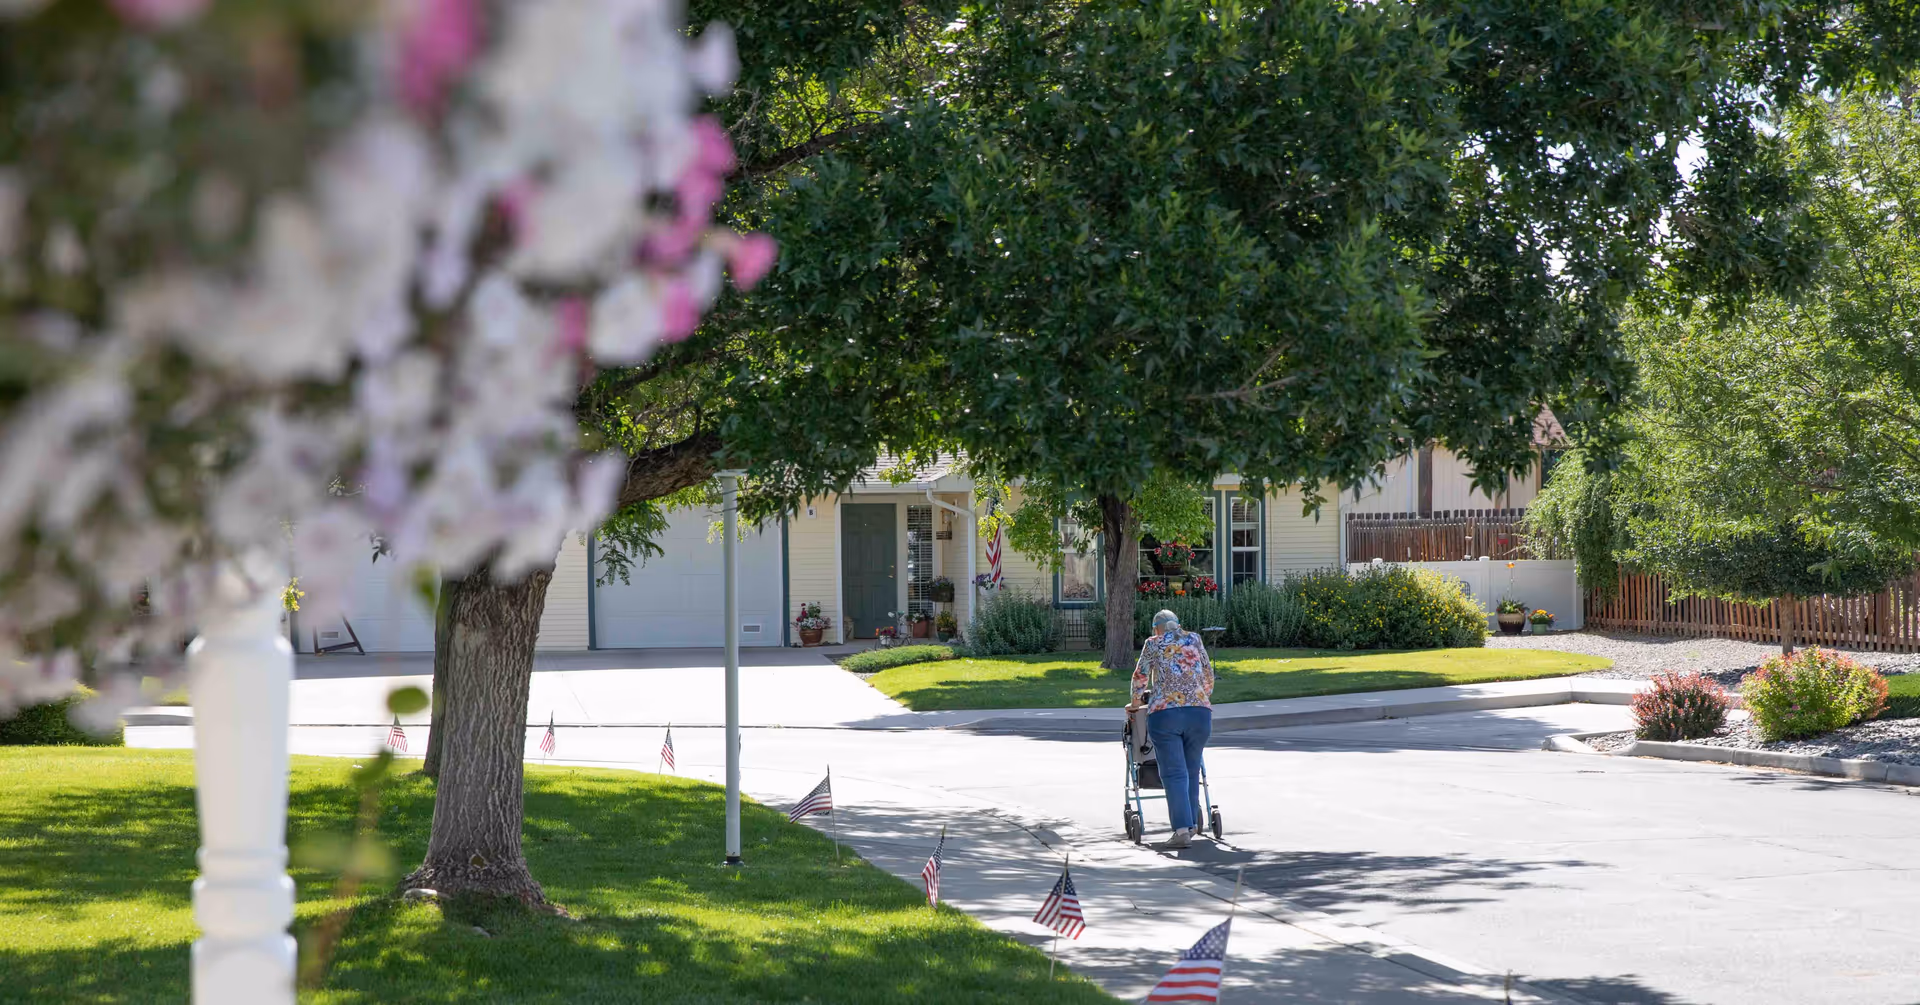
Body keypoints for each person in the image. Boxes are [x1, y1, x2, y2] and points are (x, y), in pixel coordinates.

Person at [1126, 608, 1215, 849]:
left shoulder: (1153, 643)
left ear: (1157, 628)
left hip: (1166, 714)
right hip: (1200, 713)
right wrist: (1200, 697)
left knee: (1174, 772)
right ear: (1177, 625)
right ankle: (1192, 824)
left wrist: (1135, 702)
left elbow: (1140, 676)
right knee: (1191, 768)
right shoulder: (1195, 639)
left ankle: (1181, 829)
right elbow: (1208, 674)